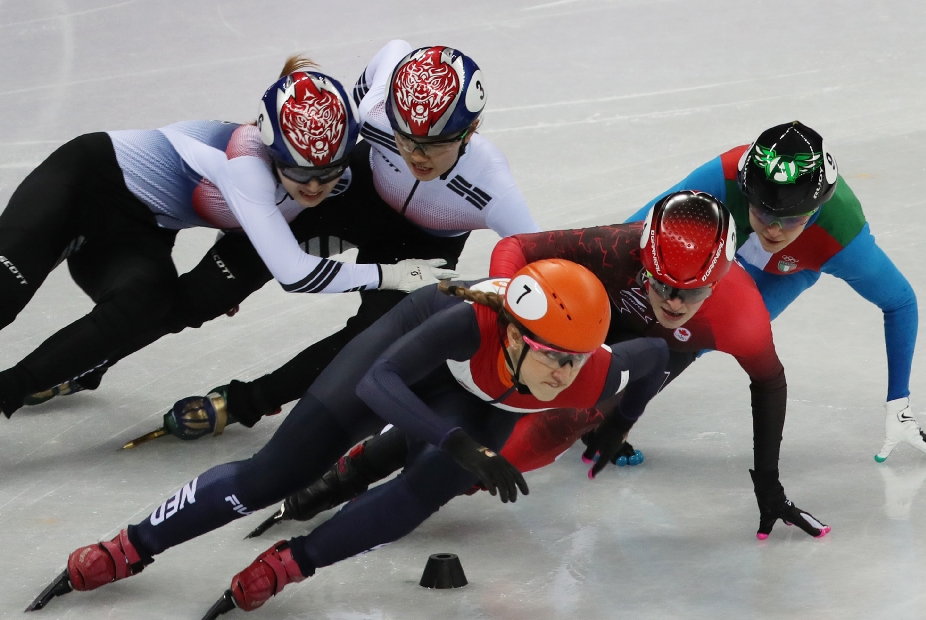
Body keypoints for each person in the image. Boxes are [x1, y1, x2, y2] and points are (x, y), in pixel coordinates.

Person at [28, 260, 670, 620]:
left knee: (424, 492)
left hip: (477, 401)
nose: (566, 373)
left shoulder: (591, 372)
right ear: (511, 334)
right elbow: (379, 381)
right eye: (553, 356)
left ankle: (291, 563)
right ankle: (133, 544)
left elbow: (656, 356)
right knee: (270, 476)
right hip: (408, 358)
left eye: (576, 359)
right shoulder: (468, 322)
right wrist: (454, 440)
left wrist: (619, 424)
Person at [246, 191, 830, 543]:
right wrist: (507, 305)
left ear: (720, 281)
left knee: (500, 458)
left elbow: (769, 385)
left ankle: (388, 493)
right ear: (641, 256)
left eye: (691, 293)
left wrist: (769, 485)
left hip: (618, 365)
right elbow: (519, 248)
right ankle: (341, 478)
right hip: (561, 333)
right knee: (469, 405)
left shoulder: (741, 315)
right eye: (660, 284)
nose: (673, 302)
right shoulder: (617, 244)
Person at [117, 39, 541, 444]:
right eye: (405, 136)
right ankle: (96, 354)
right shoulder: (376, 112)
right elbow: (393, 49)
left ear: (472, 130)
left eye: (434, 144)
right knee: (213, 287)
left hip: (421, 247)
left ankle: (242, 402)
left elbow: (542, 266)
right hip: (356, 195)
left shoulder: (492, 185)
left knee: (370, 341)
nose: (416, 155)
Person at [0, 59, 457, 418]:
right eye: (299, 170)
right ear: (273, 149)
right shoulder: (248, 168)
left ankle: (10, 391)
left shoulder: (316, 171)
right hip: (83, 184)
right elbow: (294, 275)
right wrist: (393, 275)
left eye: (328, 172)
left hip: (141, 230)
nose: (315, 186)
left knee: (147, 303)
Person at [623, 120, 926, 463]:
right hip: (726, 241)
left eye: (794, 219)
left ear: (816, 210)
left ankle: (614, 413)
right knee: (650, 291)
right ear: (745, 191)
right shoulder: (723, 178)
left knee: (696, 332)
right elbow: (630, 233)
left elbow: (900, 302)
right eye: (764, 211)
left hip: (789, 270)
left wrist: (899, 405)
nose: (775, 230)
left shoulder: (841, 237)